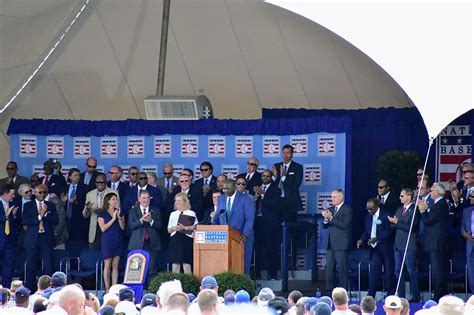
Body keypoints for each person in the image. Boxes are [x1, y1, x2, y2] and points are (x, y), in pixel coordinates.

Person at [212, 179, 255, 275]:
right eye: (224, 189)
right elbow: (216, 217)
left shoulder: (246, 199)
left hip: (242, 237)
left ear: (234, 187)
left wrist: (245, 234)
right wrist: (214, 229)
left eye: (228, 189)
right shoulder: (222, 198)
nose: (225, 191)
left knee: (242, 266)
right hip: (224, 238)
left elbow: (250, 218)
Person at [22, 184, 58, 291]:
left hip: (46, 238)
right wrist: (40, 216)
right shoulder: (28, 205)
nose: (42, 194)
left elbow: (56, 221)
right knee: (31, 265)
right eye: (40, 192)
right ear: (34, 193)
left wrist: (46, 215)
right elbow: (25, 221)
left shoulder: (50, 205)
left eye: (44, 192)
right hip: (33, 238)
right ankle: (29, 290)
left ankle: (48, 290)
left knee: (48, 265)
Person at [417, 182, 449, 300]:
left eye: (431, 191)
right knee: (436, 269)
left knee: (437, 270)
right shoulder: (437, 204)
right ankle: (440, 293)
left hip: (437, 242)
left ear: (437, 192)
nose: (430, 193)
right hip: (433, 242)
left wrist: (423, 210)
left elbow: (428, 221)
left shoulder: (440, 204)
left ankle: (439, 295)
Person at [357, 198, 394, 297]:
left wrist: (377, 239)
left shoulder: (385, 214)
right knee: (373, 272)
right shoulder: (368, 217)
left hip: (386, 248)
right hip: (375, 249)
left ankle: (390, 295)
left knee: (389, 273)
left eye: (371, 209)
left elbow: (389, 231)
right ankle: (371, 296)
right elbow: (367, 231)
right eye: (367, 209)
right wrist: (361, 239)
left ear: (377, 207)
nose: (369, 211)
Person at [388, 188, 420, 301]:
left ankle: (415, 295)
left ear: (409, 196)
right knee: (398, 271)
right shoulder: (399, 209)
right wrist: (393, 223)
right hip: (398, 244)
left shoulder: (414, 209)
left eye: (402, 196)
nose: (400, 198)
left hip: (409, 245)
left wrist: (397, 223)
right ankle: (401, 296)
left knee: (411, 270)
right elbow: (395, 226)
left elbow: (412, 228)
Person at [322, 189, 352, 294]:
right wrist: (326, 219)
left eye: (334, 197)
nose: (332, 199)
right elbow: (325, 226)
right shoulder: (330, 209)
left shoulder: (347, 209)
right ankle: (330, 291)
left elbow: (344, 225)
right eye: (331, 197)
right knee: (329, 269)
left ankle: (343, 292)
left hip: (341, 244)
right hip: (330, 244)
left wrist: (331, 218)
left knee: (343, 269)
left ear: (341, 197)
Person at [254, 169, 281, 280]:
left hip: (270, 224)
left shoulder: (276, 190)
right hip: (257, 223)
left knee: (271, 249)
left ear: (271, 177)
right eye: (263, 176)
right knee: (257, 249)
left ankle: (272, 274)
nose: (265, 178)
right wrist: (255, 197)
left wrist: (263, 195)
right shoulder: (256, 188)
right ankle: (257, 274)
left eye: (267, 176)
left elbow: (276, 205)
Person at [128, 190, 162, 276]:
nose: (146, 200)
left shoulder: (156, 210)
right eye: (143, 198)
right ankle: (137, 290)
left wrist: (151, 221)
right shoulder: (133, 211)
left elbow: (160, 226)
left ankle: (151, 289)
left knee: (152, 271)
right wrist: (141, 220)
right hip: (137, 244)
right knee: (136, 271)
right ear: (139, 199)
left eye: (147, 198)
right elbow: (131, 226)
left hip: (152, 244)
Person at [98, 192, 126, 292]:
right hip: (107, 241)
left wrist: (118, 217)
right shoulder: (102, 213)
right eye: (113, 199)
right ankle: (107, 288)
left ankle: (114, 288)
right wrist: (113, 219)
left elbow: (123, 227)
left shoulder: (119, 212)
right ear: (108, 201)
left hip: (118, 239)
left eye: (116, 199)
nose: (115, 201)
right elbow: (103, 228)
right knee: (107, 264)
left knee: (115, 265)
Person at [83, 174, 119, 249]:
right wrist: (87, 209)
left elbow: (118, 211)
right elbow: (85, 215)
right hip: (94, 230)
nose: (99, 184)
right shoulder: (89, 194)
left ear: (106, 182)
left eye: (102, 182)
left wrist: (102, 211)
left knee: (108, 254)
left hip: (108, 227)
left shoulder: (113, 192)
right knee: (93, 255)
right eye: (98, 182)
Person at [167, 193, 198, 274]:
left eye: (179, 200)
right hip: (175, 240)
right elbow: (168, 229)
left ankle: (188, 285)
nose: (177, 202)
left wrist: (185, 228)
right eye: (176, 201)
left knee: (186, 265)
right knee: (175, 265)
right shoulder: (173, 214)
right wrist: (173, 228)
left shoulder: (191, 213)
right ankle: (175, 284)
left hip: (186, 239)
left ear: (185, 201)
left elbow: (196, 227)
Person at [272, 144, 303, 222]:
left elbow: (296, 185)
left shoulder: (298, 167)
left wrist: (283, 177)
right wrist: (274, 177)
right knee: (276, 226)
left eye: (288, 153)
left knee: (291, 226)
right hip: (277, 200)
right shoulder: (276, 166)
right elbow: (271, 185)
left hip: (291, 202)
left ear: (292, 154)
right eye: (284, 153)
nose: (285, 155)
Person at [0, 183, 20, 288]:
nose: (14, 196)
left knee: (8, 267)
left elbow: (16, 224)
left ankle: (6, 290)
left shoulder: (13, 204)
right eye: (12, 194)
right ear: (5, 193)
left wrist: (14, 216)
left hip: (9, 240)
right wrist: (5, 216)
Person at [61, 168, 88, 241]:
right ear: (70, 177)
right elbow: (62, 204)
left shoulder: (84, 188)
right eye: (75, 175)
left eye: (79, 175)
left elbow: (85, 204)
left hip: (78, 220)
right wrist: (64, 202)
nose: (78, 177)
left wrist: (74, 202)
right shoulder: (65, 187)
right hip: (66, 220)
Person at [461, 183, 474, 294]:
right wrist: (465, 234)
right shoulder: (467, 210)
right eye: (470, 197)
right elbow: (462, 226)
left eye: (473, 197)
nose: (471, 199)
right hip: (469, 242)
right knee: (470, 268)